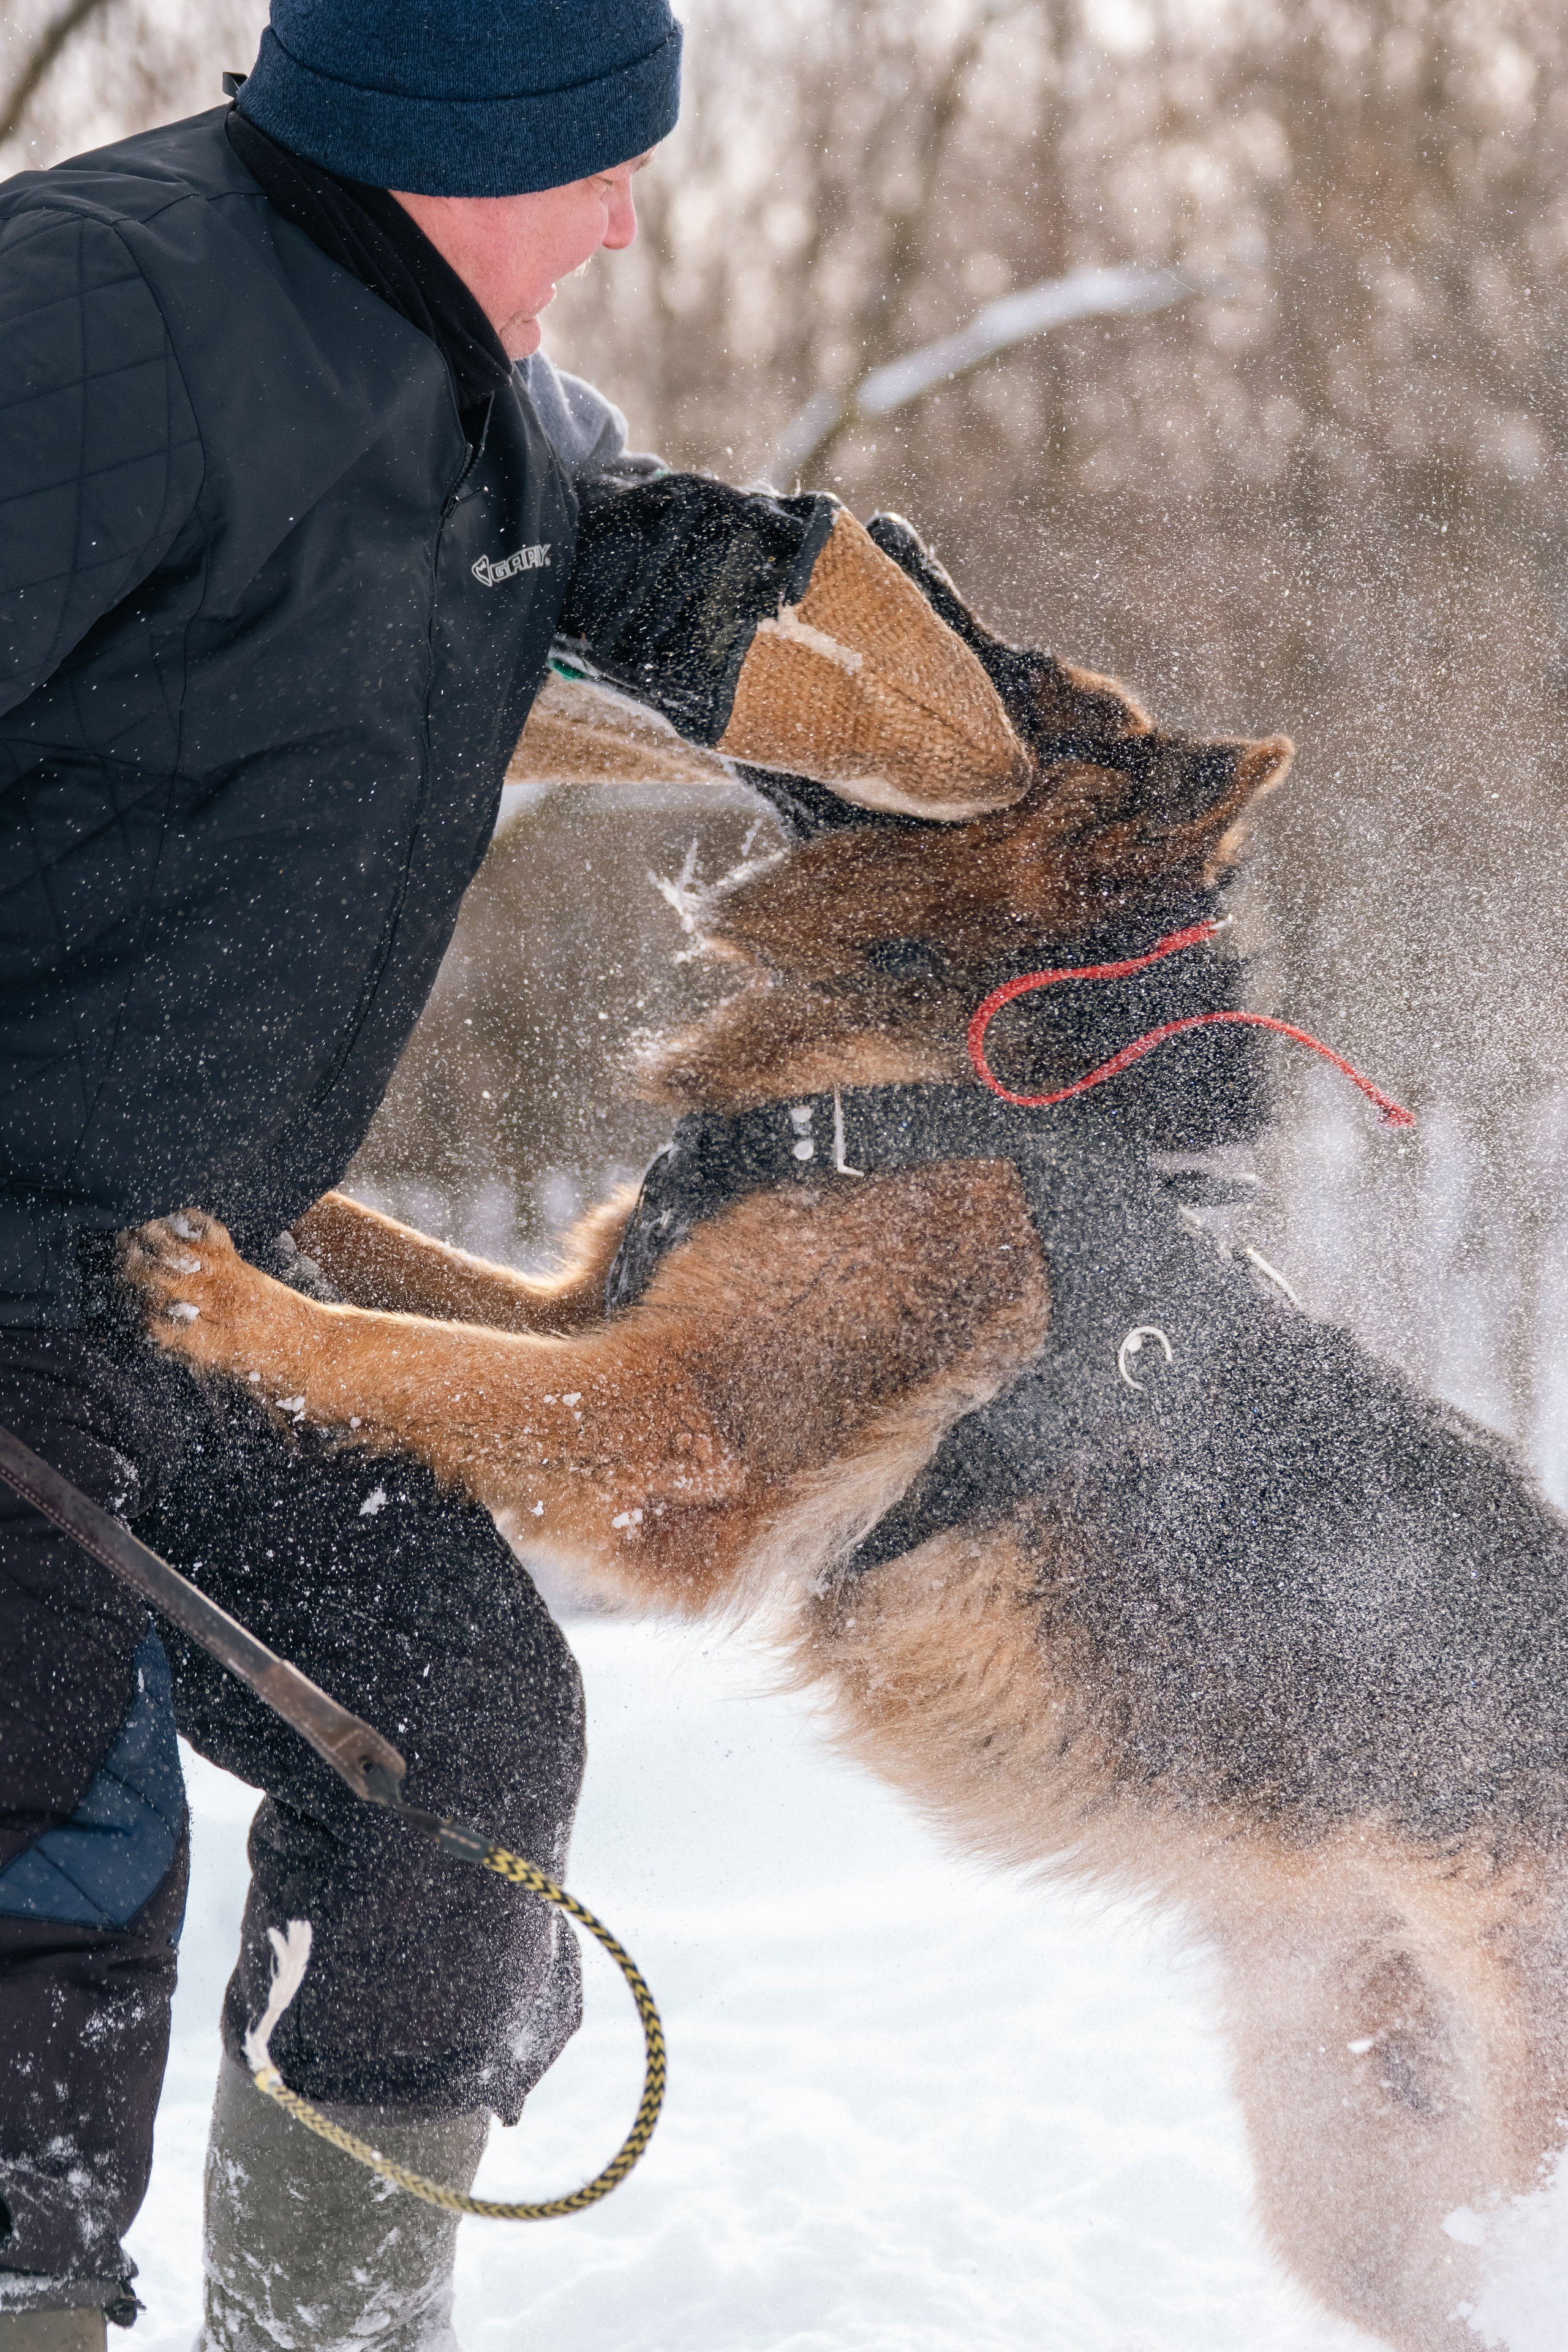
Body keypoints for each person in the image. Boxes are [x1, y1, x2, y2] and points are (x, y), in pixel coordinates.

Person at [0, 6, 1027, 2348]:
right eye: (602, 165)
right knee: (46, 1862)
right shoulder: (95, 314)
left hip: (162, 1280)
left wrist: (790, 615)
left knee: (458, 1735)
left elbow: (624, 610)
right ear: (470, 140)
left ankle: (337, 2327)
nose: (628, 217)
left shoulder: (484, 421)